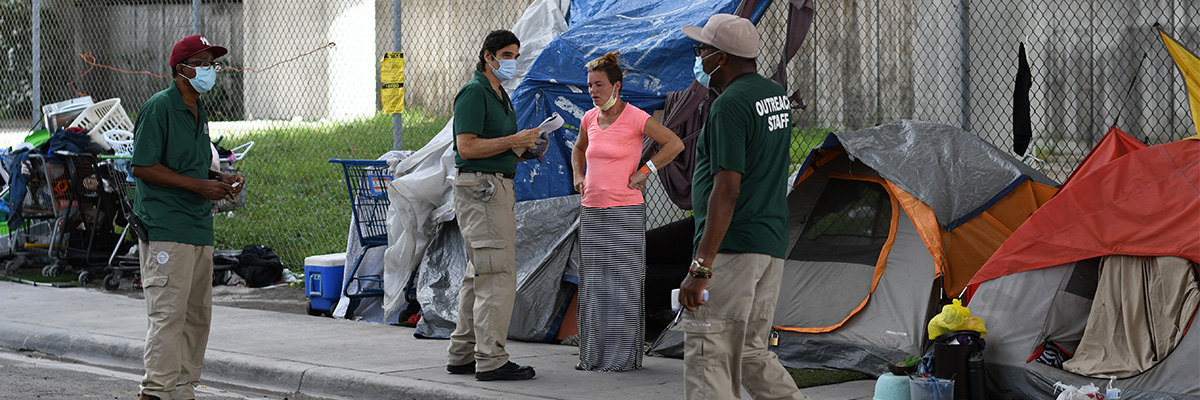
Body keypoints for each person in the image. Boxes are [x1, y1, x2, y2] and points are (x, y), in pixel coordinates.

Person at [676, 14, 809, 400]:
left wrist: (701, 267)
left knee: (708, 352)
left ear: (721, 57)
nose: (698, 57)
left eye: (702, 50)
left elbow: (727, 189)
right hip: (768, 243)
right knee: (750, 351)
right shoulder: (772, 95)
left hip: (732, 248)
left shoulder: (730, 105)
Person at [131, 34, 245, 400]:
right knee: (168, 315)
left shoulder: (200, 110)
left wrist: (219, 179)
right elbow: (144, 167)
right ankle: (156, 391)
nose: (210, 70)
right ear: (181, 69)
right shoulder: (159, 108)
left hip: (198, 227)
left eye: (212, 63)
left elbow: (191, 167)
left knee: (197, 316)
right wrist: (199, 188)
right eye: (202, 63)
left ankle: (181, 389)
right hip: (167, 227)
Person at [571, 51, 684, 372]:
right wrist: (578, 176)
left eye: (599, 85)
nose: (593, 91)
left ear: (616, 86)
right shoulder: (589, 119)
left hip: (624, 211)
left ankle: (621, 358)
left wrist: (645, 170)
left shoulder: (636, 116)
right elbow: (578, 149)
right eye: (590, 86)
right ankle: (592, 356)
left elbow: (674, 144)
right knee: (594, 283)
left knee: (623, 283)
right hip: (591, 211)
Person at [445, 29, 541, 382]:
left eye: (516, 55)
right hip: (483, 192)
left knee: (480, 273)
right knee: (497, 275)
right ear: (488, 56)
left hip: (494, 188)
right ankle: (491, 360)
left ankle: (463, 354)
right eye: (506, 54)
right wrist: (512, 140)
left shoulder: (499, 94)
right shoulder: (474, 93)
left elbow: (494, 145)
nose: (511, 61)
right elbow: (467, 148)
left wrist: (524, 148)